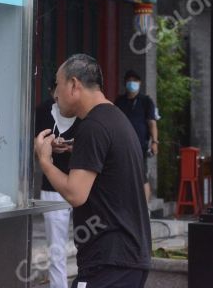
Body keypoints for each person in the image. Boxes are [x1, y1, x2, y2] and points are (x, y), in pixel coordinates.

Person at [34, 54, 151, 288]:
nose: (55, 95)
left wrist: (44, 161)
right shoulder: (115, 118)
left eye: (58, 85)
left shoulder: (93, 126)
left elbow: (76, 193)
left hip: (109, 262)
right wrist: (72, 149)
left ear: (74, 85)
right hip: (128, 258)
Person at [34, 80, 81, 288]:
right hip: (52, 187)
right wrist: (48, 146)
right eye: (55, 92)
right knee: (57, 248)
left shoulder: (80, 111)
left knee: (88, 243)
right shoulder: (44, 110)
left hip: (80, 182)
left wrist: (72, 148)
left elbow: (92, 142)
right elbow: (36, 144)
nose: (58, 97)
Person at [114, 70, 159, 202]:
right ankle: (125, 204)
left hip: (140, 145)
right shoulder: (119, 101)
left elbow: (152, 122)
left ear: (139, 83)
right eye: (129, 80)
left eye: (135, 80)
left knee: (141, 175)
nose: (132, 83)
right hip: (121, 145)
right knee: (122, 174)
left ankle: (144, 208)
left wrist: (155, 142)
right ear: (125, 83)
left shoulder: (146, 101)